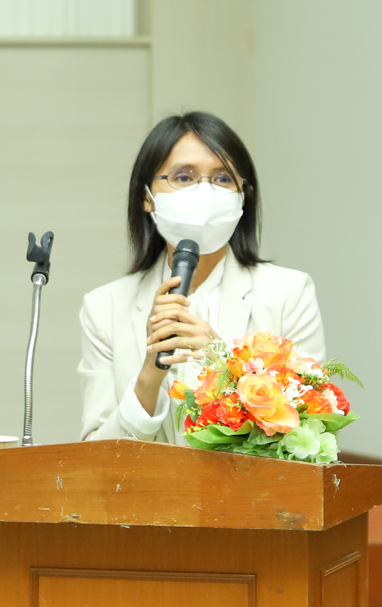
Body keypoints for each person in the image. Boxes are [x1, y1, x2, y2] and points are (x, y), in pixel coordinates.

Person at [79, 112, 325, 444]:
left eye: (223, 178)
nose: (205, 191)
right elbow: (97, 453)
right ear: (146, 197)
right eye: (184, 177)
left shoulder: (288, 293)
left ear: (243, 196)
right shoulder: (104, 307)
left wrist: (222, 361)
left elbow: (308, 435)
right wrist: (149, 378)